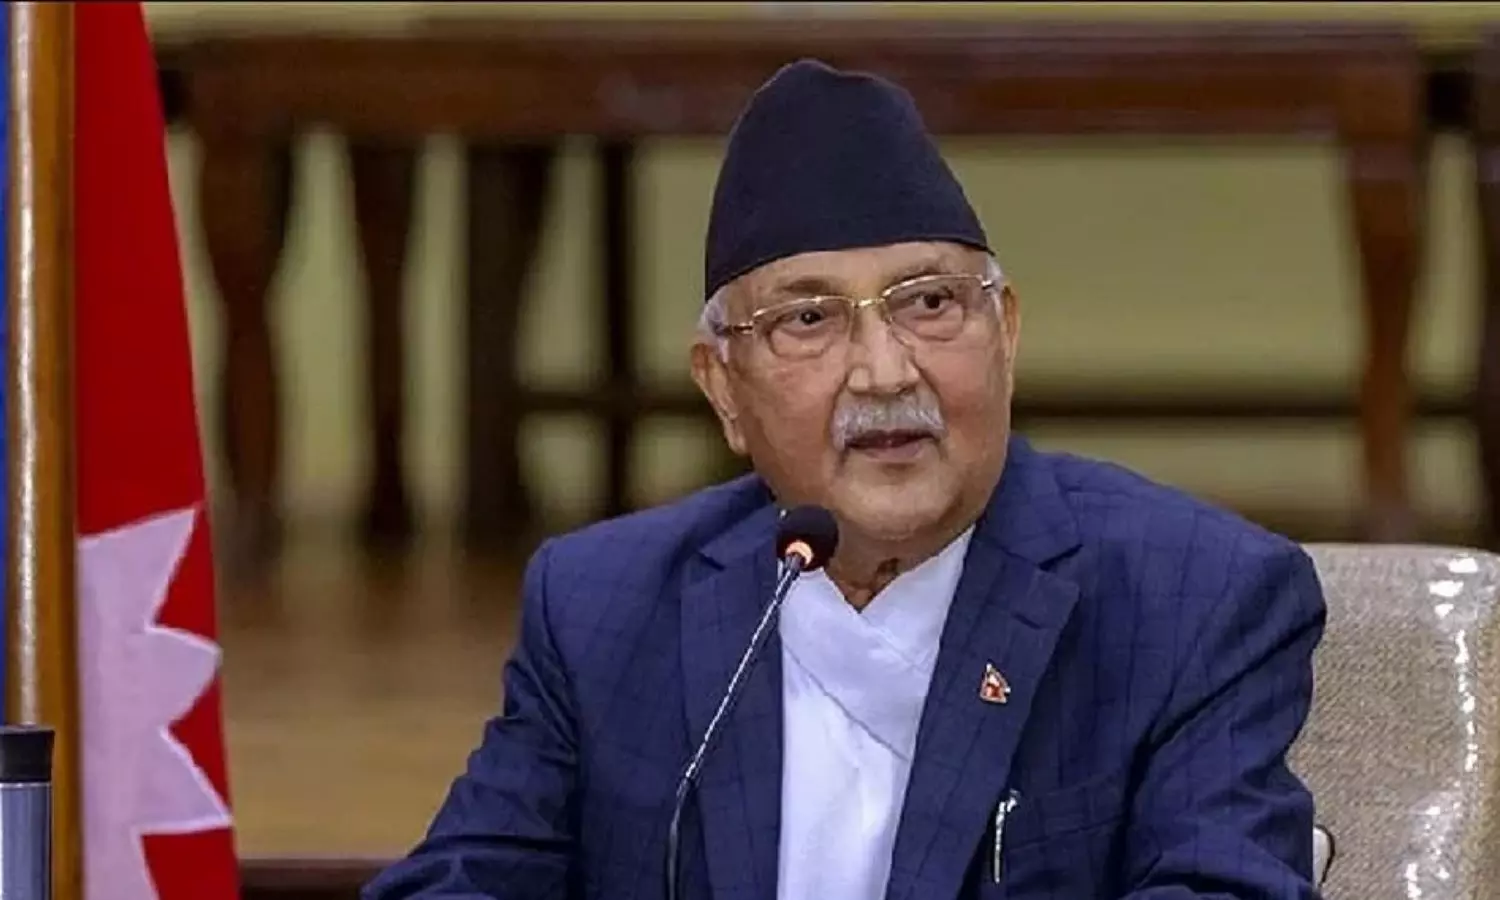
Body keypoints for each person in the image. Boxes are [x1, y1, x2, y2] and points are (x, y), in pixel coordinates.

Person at [364, 58, 1326, 900]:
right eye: (809, 320)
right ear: (723, 389)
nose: (885, 372)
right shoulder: (602, 610)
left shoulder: (1193, 600)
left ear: (1006, 336)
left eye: (930, 303)